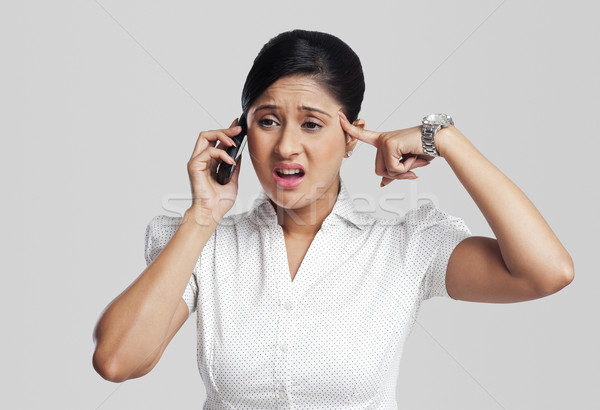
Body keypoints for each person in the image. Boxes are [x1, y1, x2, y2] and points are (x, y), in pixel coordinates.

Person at [92, 29, 574, 408]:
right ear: (239, 136)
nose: (285, 146)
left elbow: (546, 272)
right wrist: (202, 215)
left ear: (351, 137)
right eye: (267, 120)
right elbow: (117, 360)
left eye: (312, 123)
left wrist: (444, 139)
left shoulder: (405, 244)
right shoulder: (205, 245)